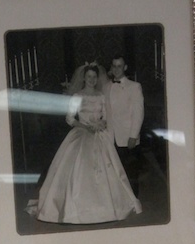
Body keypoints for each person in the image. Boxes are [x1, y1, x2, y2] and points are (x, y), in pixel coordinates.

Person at [36, 63, 142, 225]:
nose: (92, 80)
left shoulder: (101, 96)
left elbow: (106, 116)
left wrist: (101, 124)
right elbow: (70, 118)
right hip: (81, 134)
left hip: (99, 135)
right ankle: (74, 207)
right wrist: (85, 127)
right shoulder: (77, 96)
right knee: (79, 168)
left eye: (94, 77)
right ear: (84, 78)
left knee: (107, 168)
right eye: (89, 76)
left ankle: (107, 206)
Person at [104, 55, 144, 197]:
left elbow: (138, 113)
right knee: (115, 172)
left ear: (125, 67)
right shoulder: (106, 87)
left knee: (130, 172)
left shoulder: (134, 87)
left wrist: (133, 135)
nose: (116, 69)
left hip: (128, 137)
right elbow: (106, 111)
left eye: (119, 66)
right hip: (110, 136)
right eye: (114, 66)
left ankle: (134, 201)